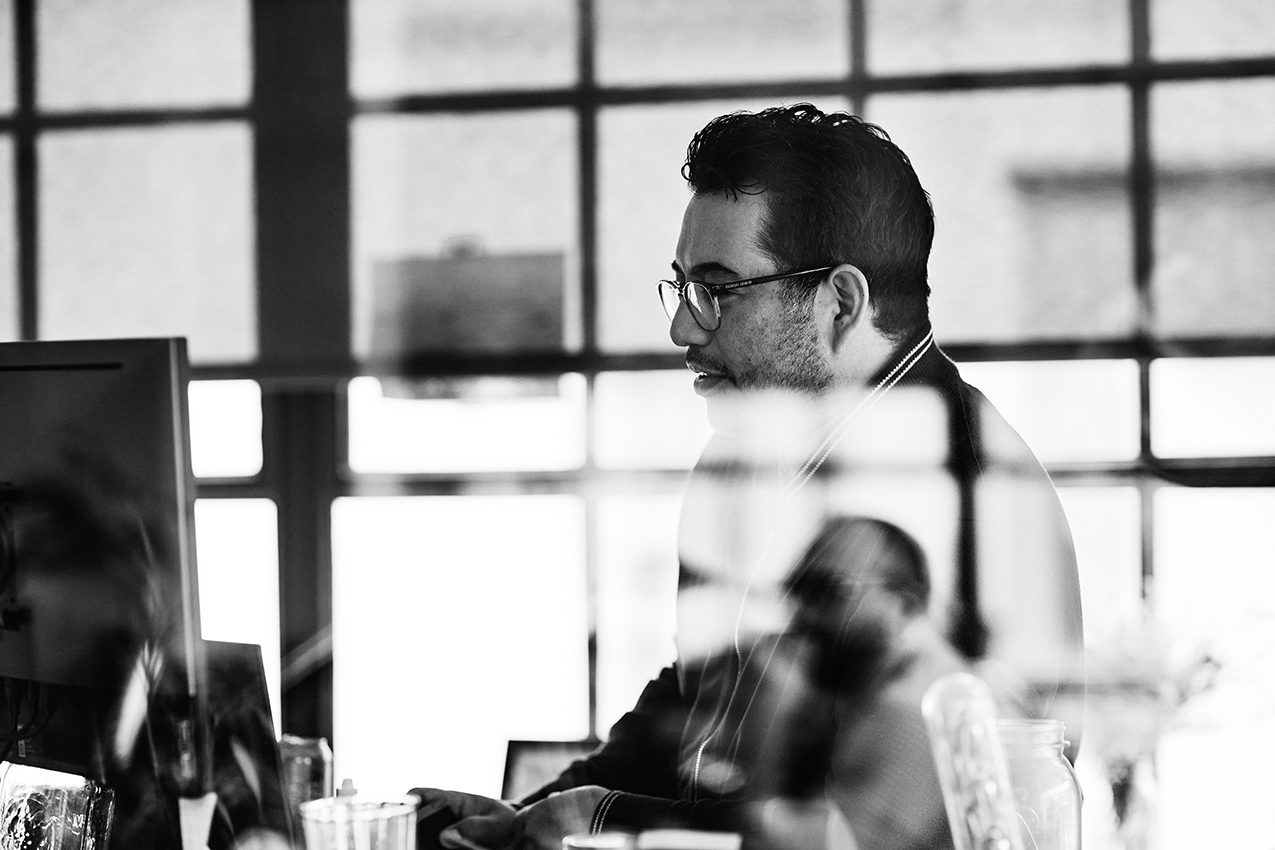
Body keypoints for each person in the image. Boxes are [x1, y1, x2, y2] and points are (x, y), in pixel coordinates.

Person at [411, 102, 1084, 849]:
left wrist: (601, 819)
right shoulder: (746, 451)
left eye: (717, 290)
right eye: (680, 287)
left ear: (839, 302)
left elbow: (878, 833)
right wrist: (526, 817)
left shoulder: (965, 501)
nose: (681, 327)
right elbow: (694, 704)